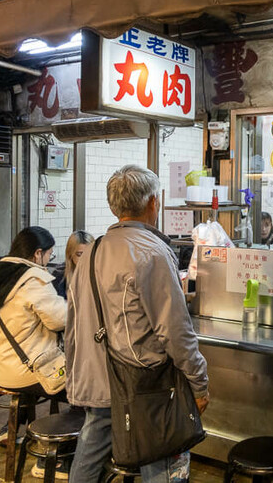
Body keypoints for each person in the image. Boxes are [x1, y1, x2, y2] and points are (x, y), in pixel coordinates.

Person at [66, 165, 209, 483]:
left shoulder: (91, 251)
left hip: (100, 381)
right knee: (161, 464)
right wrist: (199, 382)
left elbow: (74, 321)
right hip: (144, 387)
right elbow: (175, 330)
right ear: (153, 203)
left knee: (88, 460)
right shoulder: (152, 252)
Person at [0, 226, 69, 479]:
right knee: (86, 389)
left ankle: (9, 429)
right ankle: (54, 457)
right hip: (26, 371)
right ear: (37, 254)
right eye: (49, 255)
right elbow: (60, 319)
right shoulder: (32, 280)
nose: (49, 261)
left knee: (32, 371)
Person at [51, 231, 94, 299]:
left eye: (89, 254)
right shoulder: (59, 276)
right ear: (70, 254)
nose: (85, 259)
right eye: (79, 254)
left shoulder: (99, 274)